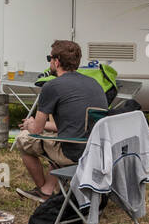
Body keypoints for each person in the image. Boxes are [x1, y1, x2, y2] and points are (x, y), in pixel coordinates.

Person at [15, 40, 108, 202]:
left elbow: (36, 131)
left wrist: (29, 124)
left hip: (72, 151)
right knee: (54, 141)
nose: (50, 62)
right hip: (96, 151)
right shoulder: (94, 84)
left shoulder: (52, 86)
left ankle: (44, 193)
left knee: (23, 139)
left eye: (49, 58)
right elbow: (71, 124)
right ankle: (50, 188)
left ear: (56, 62)